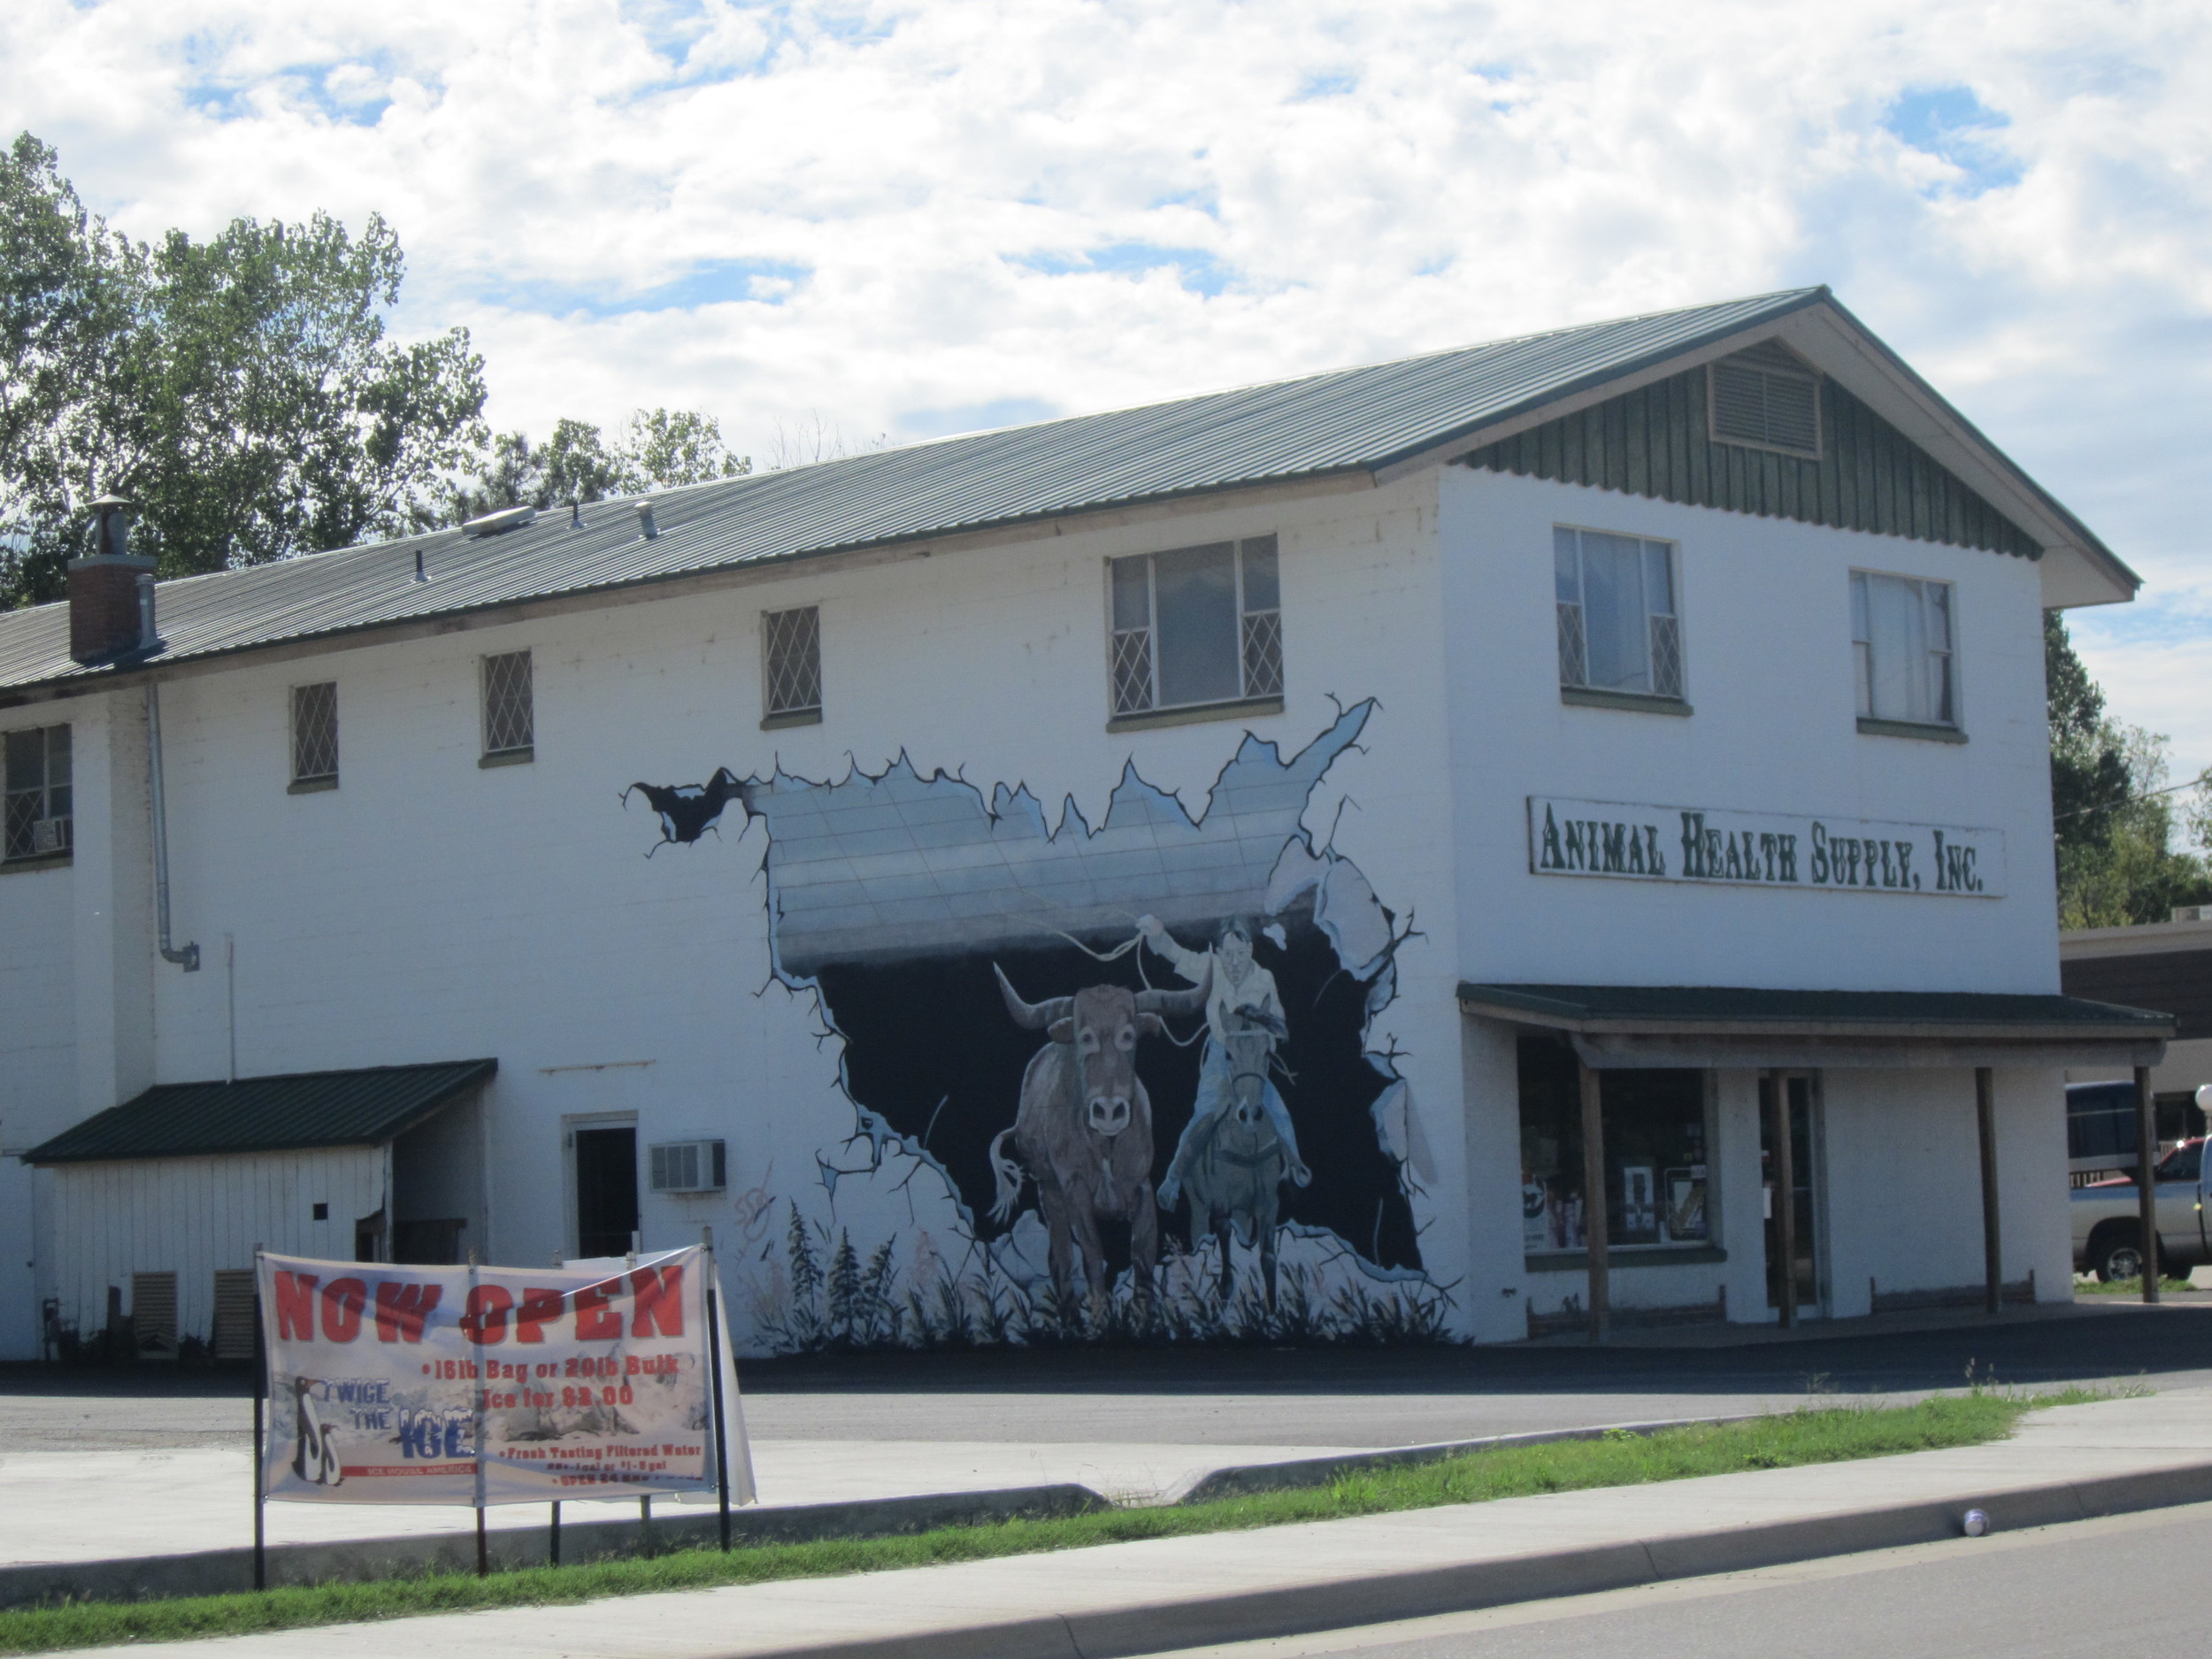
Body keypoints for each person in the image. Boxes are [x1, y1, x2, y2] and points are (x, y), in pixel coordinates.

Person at [1140, 914, 1311, 1209]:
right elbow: (1177, 955)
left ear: (1251, 952)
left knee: (1277, 1108)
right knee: (1204, 1112)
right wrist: (1158, 933)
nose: (1234, 962)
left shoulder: (1264, 978)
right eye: (1228, 954)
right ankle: (1174, 1179)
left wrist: (1268, 1038)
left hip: (1252, 1056)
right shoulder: (1212, 969)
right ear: (1219, 953)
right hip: (1221, 1054)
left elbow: (1279, 1019)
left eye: (1241, 954)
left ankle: (1296, 1165)